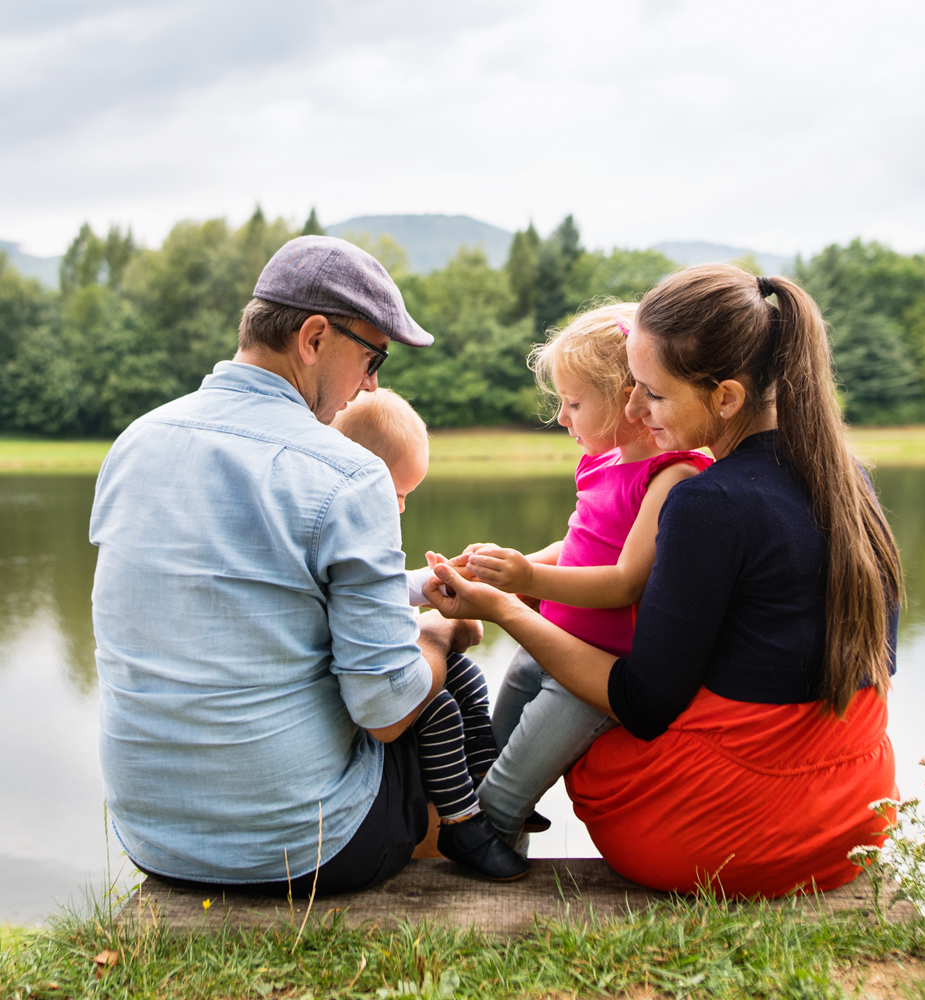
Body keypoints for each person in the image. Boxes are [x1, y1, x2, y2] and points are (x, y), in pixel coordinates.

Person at [424, 266, 901, 897]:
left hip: (722, 837)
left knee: (576, 711)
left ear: (726, 398)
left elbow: (642, 702)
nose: (634, 409)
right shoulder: (848, 483)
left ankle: (480, 829)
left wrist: (510, 610)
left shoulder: (708, 503)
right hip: (851, 823)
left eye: (650, 392)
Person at [90, 236, 481, 896]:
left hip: (153, 839)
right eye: (372, 356)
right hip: (308, 850)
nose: (372, 383)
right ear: (313, 338)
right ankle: (471, 870)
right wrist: (442, 634)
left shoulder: (135, 443)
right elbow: (383, 709)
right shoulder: (349, 472)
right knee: (443, 684)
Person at [451, 303, 711, 846]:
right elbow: (578, 545)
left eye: (572, 403)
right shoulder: (601, 459)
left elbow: (623, 583)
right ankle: (491, 868)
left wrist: (527, 580)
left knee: (502, 796)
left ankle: (492, 895)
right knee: (489, 769)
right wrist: (509, 567)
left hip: (593, 680)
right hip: (547, 646)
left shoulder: (672, 475)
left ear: (628, 397)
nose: (561, 419)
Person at [331, 389, 528, 879]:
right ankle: (462, 825)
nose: (400, 509)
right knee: (436, 708)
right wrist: (435, 627)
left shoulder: (354, 520)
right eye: (397, 494)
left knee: (464, 674)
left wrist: (430, 584)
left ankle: (482, 777)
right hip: (344, 685)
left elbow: (384, 590)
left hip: (370, 668)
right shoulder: (341, 527)